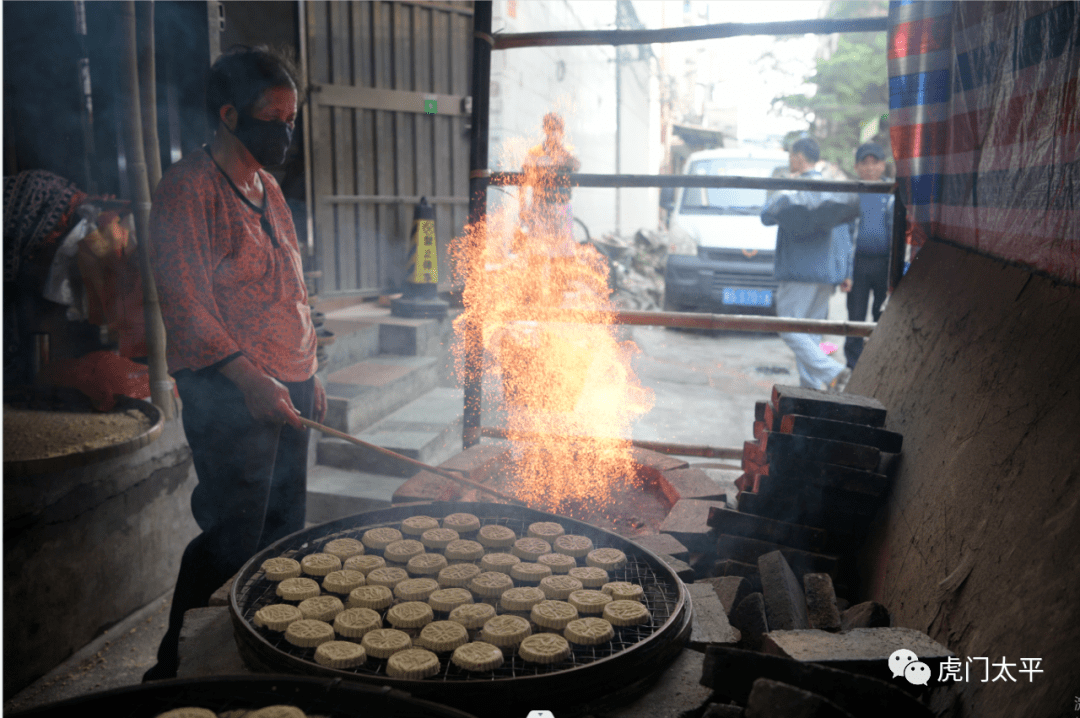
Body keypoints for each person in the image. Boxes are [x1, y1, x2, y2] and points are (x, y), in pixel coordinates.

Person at [143, 47, 325, 681]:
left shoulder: (267, 186)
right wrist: (253, 380)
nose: (285, 133)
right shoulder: (187, 190)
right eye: (272, 119)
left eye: (291, 119)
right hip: (234, 393)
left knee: (282, 537)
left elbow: (291, 285)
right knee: (232, 537)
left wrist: (310, 369)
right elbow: (188, 310)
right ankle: (175, 671)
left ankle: (258, 659)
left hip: (290, 387)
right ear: (228, 114)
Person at [761, 136, 859, 392]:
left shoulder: (793, 189)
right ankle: (813, 388)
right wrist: (845, 271)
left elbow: (767, 214)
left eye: (791, 155)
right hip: (827, 272)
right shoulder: (835, 190)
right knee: (812, 332)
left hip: (798, 271)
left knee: (788, 327)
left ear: (798, 157)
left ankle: (833, 371)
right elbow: (847, 232)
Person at [844, 142, 894, 369]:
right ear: (857, 167)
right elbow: (844, 235)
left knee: (881, 316)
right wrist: (845, 271)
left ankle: (877, 365)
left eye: (875, 163)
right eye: (865, 163)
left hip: (885, 264)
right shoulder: (851, 193)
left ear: (883, 165)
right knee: (855, 315)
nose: (870, 168)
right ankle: (852, 366)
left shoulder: (893, 192)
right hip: (858, 265)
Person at [520, 112, 581, 252]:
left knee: (563, 253)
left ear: (562, 131)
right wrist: (523, 208)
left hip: (562, 206)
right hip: (539, 207)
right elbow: (523, 181)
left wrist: (561, 151)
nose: (554, 132)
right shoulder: (535, 152)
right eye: (551, 128)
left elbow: (577, 166)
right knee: (537, 252)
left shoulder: (569, 151)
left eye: (557, 128)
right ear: (545, 129)